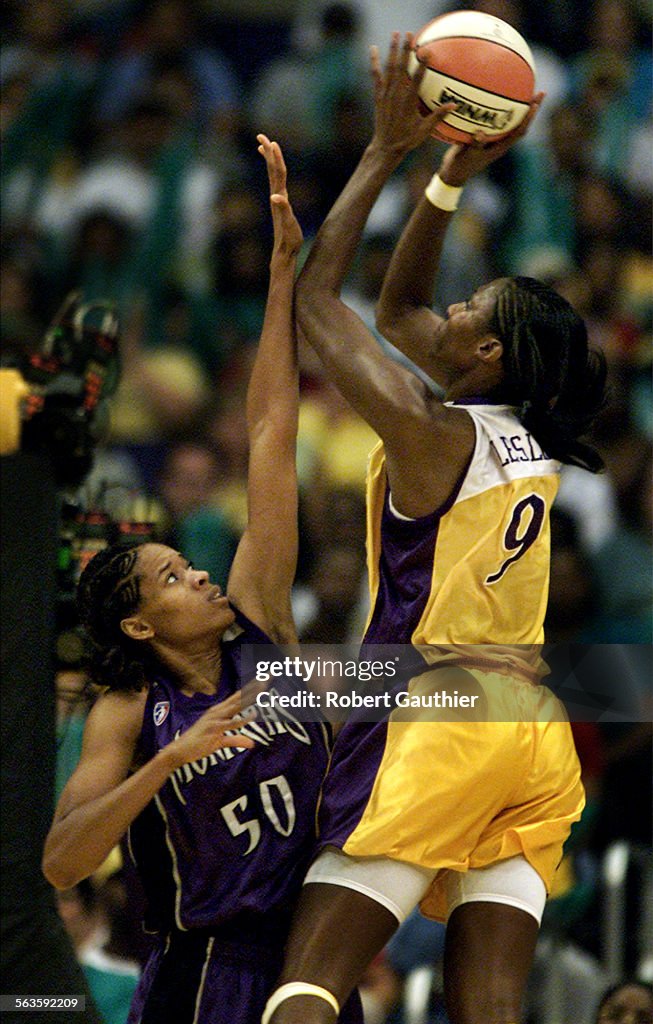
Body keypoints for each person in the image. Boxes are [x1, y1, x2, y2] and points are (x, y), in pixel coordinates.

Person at [262, 35, 608, 1024]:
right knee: (489, 1008)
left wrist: (383, 151)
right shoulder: (525, 436)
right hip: (532, 732)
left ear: (487, 350)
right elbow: (400, 305)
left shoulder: (433, 433)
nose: (443, 309)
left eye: (468, 308)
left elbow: (318, 306)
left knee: (310, 979)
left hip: (443, 714)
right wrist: (445, 180)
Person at [42, 136, 362, 1024]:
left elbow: (267, 431)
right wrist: (171, 761)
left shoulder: (260, 619)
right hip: (204, 969)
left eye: (188, 563)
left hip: (312, 953)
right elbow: (63, 862)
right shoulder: (127, 709)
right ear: (140, 626)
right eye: (175, 578)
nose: (202, 576)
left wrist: (281, 276)